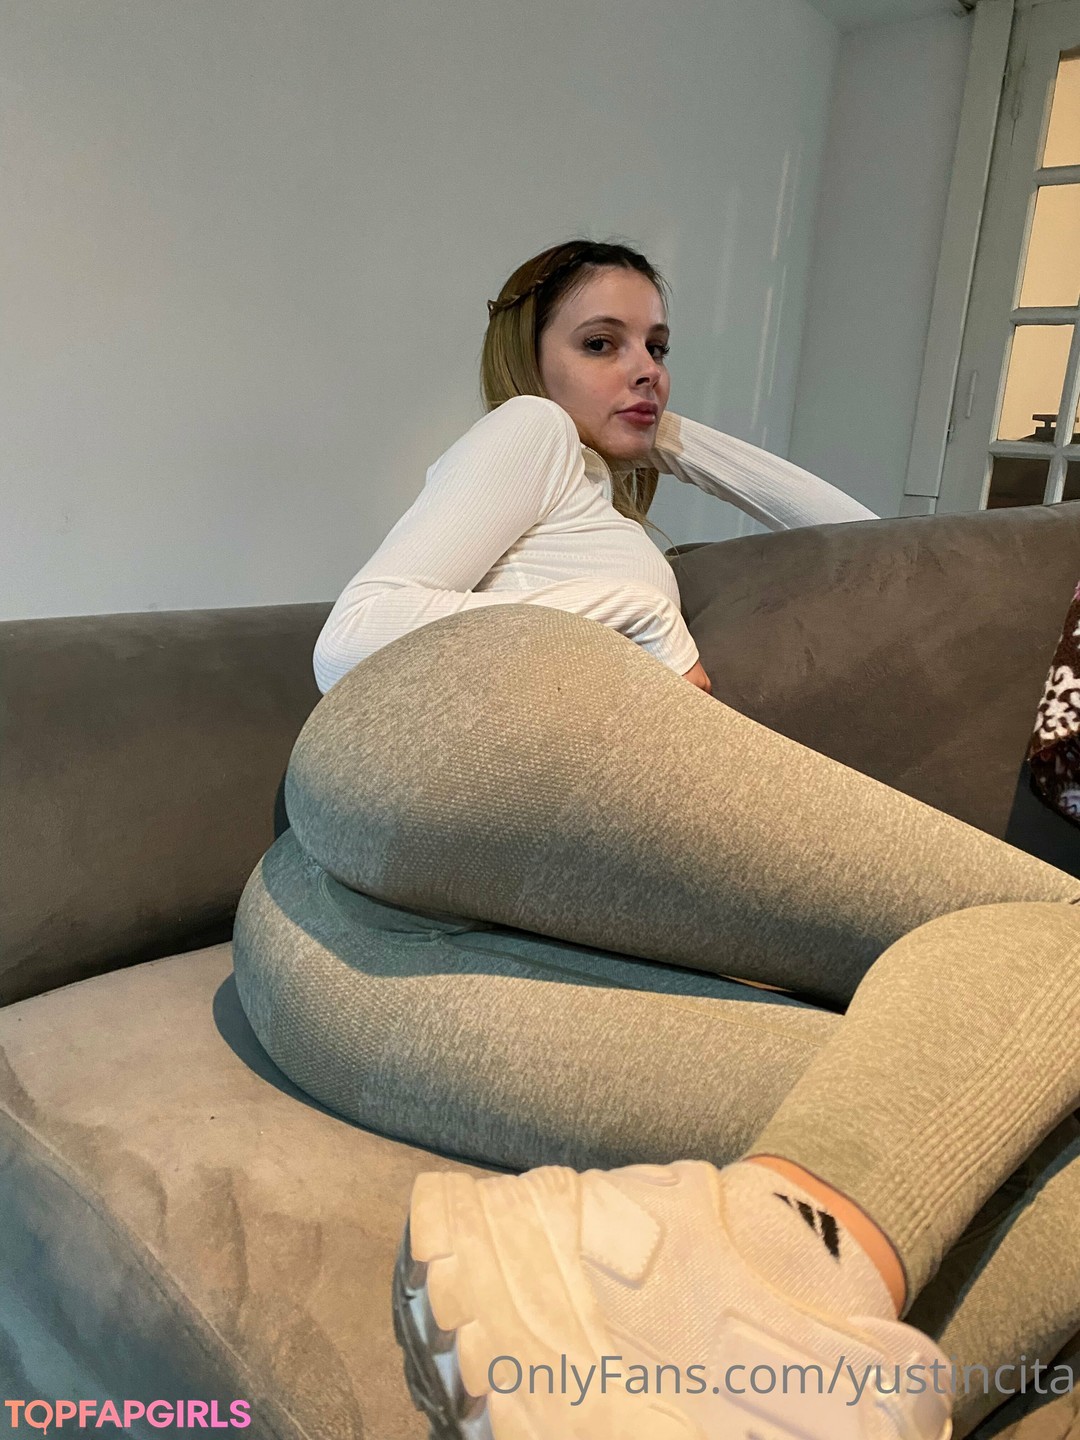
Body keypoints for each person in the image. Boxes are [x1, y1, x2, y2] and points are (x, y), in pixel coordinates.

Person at [284, 239, 1080, 1437]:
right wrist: (633, 626)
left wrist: (671, 436)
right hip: (467, 740)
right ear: (529, 362)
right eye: (601, 342)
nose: (644, 367)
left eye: (658, 347)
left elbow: (867, 536)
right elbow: (354, 635)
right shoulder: (527, 435)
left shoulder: (604, 501)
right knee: (1050, 926)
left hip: (383, 926)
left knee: (1028, 1124)